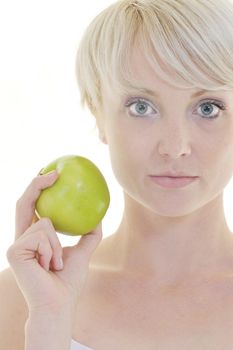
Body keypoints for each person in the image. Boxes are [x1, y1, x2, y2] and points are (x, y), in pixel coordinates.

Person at [1, 0, 233, 349]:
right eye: (141, 107)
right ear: (99, 114)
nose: (175, 146)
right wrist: (49, 322)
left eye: (207, 108)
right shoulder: (22, 299)